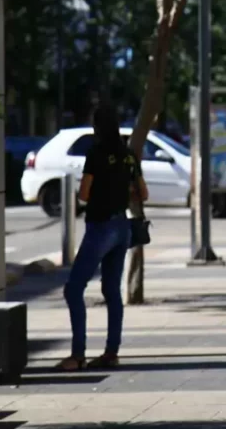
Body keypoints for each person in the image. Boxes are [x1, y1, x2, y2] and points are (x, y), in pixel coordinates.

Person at [57, 105, 148, 371]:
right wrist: (121, 190)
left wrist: (99, 192)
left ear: (97, 128)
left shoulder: (95, 153)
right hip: (123, 227)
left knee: (74, 288)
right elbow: (143, 193)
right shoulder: (129, 154)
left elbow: (84, 194)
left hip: (100, 227)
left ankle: (77, 355)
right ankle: (111, 351)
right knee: (111, 290)